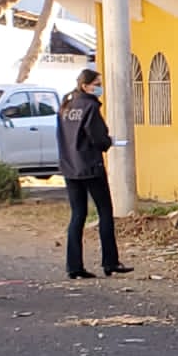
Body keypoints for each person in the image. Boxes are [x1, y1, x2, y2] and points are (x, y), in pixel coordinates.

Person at [58, 68, 132, 279]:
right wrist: (108, 142)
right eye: (96, 83)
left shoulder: (66, 105)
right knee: (105, 212)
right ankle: (110, 262)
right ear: (85, 86)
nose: (100, 88)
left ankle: (74, 266)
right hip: (90, 167)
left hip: (70, 167)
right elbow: (98, 138)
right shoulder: (90, 107)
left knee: (77, 215)